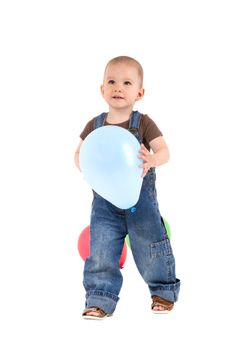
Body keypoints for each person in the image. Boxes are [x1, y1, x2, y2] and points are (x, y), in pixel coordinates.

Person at [74, 56, 180, 319]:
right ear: (102, 90)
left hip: (139, 203)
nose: (118, 88)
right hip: (104, 204)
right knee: (101, 249)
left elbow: (164, 151)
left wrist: (152, 159)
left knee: (150, 245)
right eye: (111, 81)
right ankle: (99, 298)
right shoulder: (94, 125)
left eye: (126, 82)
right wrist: (88, 169)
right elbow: (79, 154)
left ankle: (163, 292)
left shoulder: (143, 122)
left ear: (139, 93)